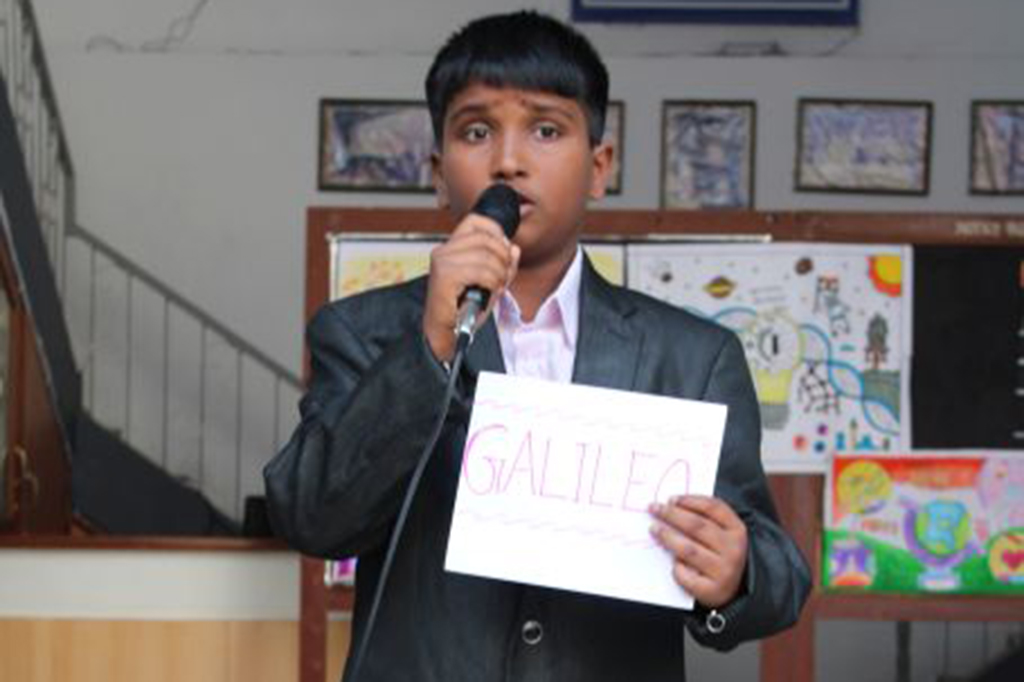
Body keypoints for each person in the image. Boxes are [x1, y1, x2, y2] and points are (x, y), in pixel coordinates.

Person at [264, 10, 810, 681]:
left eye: (546, 130)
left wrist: (735, 573)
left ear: (599, 167)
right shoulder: (363, 331)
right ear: (438, 173)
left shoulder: (695, 356)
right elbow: (311, 518)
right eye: (476, 131)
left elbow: (779, 575)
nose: (508, 160)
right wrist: (430, 345)